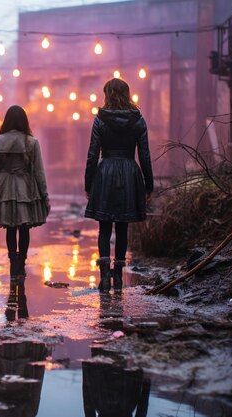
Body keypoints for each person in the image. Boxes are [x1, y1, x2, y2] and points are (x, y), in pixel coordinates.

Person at [84, 78, 153, 294]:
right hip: (129, 173)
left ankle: (104, 276)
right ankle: (118, 278)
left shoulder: (100, 120)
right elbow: (145, 155)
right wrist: (149, 185)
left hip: (105, 174)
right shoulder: (138, 120)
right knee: (122, 226)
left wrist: (89, 183)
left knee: (104, 226)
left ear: (107, 94)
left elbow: (93, 154)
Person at [0, 105, 49, 307]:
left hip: (3, 187)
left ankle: (13, 264)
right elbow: (38, 171)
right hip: (24, 188)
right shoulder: (32, 143)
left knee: (10, 228)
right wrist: (44, 195)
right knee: (24, 227)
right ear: (24, 121)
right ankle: (21, 265)